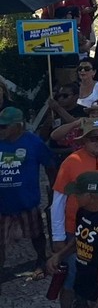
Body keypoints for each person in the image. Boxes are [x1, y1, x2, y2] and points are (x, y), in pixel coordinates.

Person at [47, 171, 98, 308]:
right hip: (82, 281)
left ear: (90, 196)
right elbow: (80, 238)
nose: (74, 196)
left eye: (78, 193)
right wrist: (60, 255)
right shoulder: (84, 210)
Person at [51, 117, 98, 249]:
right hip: (76, 225)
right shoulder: (71, 161)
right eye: (93, 138)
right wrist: (58, 236)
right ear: (84, 140)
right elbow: (58, 201)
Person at [0, 107, 52, 274]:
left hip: (27, 201)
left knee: (36, 233)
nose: (1, 130)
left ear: (18, 126)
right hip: (2, 204)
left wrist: (54, 190)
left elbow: (50, 165)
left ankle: (41, 259)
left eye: (4, 126)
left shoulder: (34, 142)